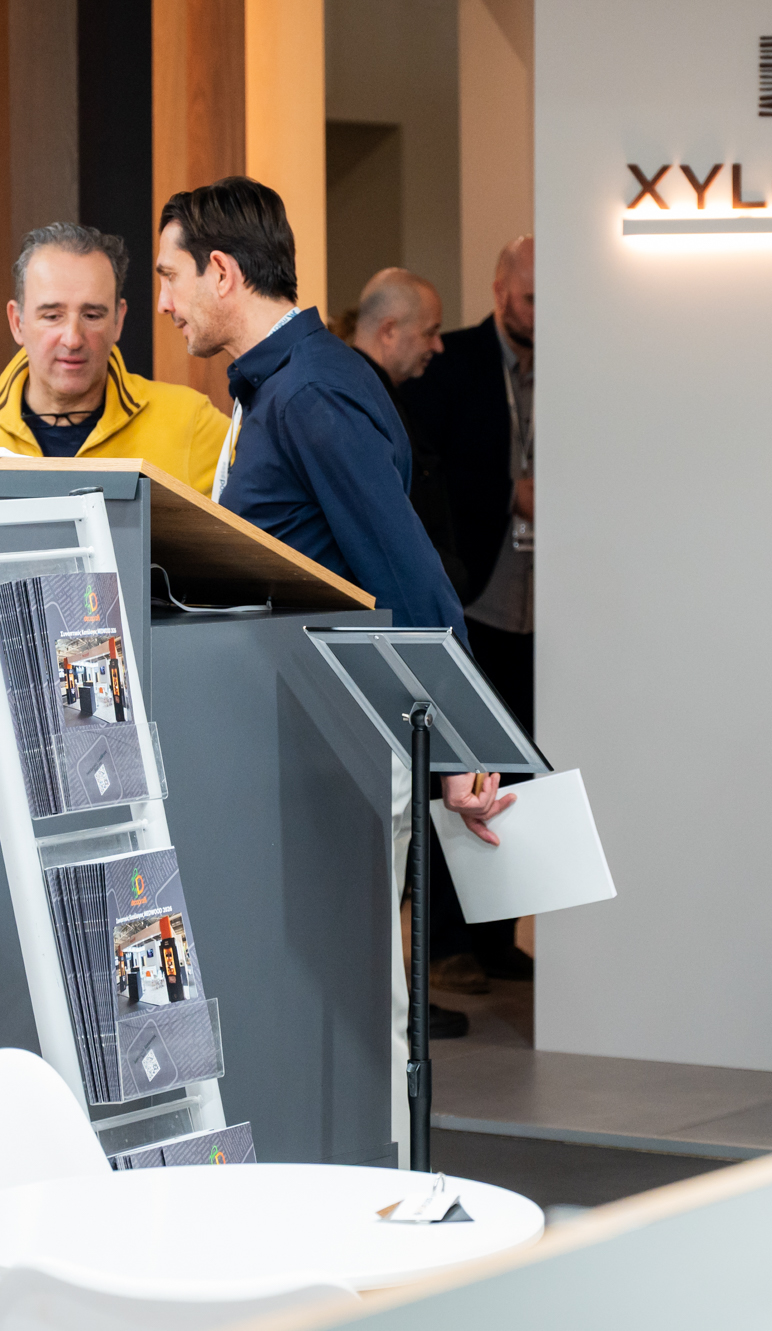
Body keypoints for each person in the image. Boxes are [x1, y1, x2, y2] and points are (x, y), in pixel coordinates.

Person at [153, 176, 512, 1049]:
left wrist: (458, 746)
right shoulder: (279, 386)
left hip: (337, 748)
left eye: (169, 276)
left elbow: (408, 573)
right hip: (296, 747)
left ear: (222, 272)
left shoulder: (311, 391)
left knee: (353, 1012)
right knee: (316, 1007)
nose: (163, 303)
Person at [399, 236, 537, 993]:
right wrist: (512, 495)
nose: (541, 313)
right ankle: (445, 941)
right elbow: (434, 478)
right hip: (473, 599)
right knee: (457, 769)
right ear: (500, 289)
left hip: (543, 607)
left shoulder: (577, 363)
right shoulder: (452, 364)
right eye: (531, 297)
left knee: (518, 771)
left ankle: (495, 936)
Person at [0, 224, 228, 495]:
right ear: (17, 322)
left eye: (92, 315)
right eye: (52, 316)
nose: (72, 339)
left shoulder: (189, 423)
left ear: (118, 321)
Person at [349, 268, 464, 595]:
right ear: (389, 331)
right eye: (430, 333)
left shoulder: (377, 396)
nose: (438, 346)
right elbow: (386, 529)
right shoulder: (361, 406)